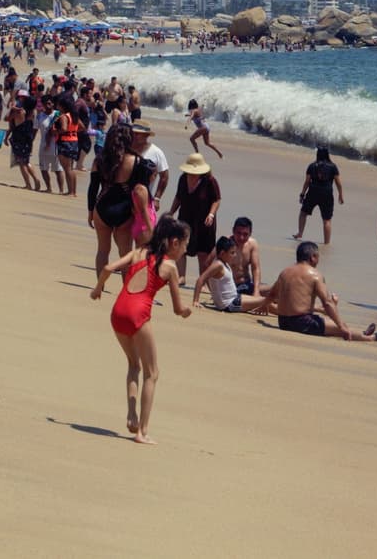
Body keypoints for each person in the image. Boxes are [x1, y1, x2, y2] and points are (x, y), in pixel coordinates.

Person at [90, 216, 192, 444]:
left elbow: (107, 267)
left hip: (117, 312)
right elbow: (177, 309)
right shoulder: (169, 267)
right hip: (138, 315)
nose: (185, 250)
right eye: (185, 245)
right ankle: (142, 432)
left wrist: (97, 289)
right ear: (174, 242)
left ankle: (131, 415)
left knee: (134, 365)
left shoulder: (139, 252)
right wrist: (186, 311)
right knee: (152, 373)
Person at [265, 241, 377, 341]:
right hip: (301, 323)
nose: (318, 261)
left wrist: (262, 307)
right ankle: (372, 338)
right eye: (318, 257)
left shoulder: (285, 272)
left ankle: (362, 332)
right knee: (339, 327)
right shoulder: (315, 275)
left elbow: (272, 294)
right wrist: (341, 326)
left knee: (330, 325)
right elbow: (327, 303)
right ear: (312, 257)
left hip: (283, 322)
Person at [88, 124, 155, 276]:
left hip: (102, 207)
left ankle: (100, 287)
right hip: (125, 210)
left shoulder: (100, 160)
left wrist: (90, 211)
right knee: (125, 255)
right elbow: (141, 191)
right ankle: (126, 290)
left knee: (102, 251)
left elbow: (93, 188)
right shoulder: (138, 161)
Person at [167, 152, 221, 284]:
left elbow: (217, 200)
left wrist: (211, 214)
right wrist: (171, 212)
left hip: (204, 222)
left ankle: (202, 281)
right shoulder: (182, 178)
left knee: (203, 252)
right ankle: (181, 277)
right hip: (185, 218)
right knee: (180, 247)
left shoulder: (210, 181)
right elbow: (178, 197)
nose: (191, 174)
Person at [192, 236, 268, 313]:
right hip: (230, 304)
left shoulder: (224, 264)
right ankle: (280, 312)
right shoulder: (218, 265)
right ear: (222, 253)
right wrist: (196, 301)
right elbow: (201, 279)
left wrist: (214, 293)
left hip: (235, 298)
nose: (235, 255)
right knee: (266, 300)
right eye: (232, 253)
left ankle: (278, 310)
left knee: (264, 301)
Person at [294, 147, 343, 244]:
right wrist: (340, 195)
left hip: (313, 192)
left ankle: (300, 233)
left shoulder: (312, 166)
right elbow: (338, 182)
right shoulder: (333, 167)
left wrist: (302, 194)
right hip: (327, 194)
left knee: (303, 213)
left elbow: (307, 182)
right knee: (327, 220)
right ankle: (327, 242)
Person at [130, 120, 169, 212]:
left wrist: (157, 198)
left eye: (138, 134)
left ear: (147, 135)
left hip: (143, 201)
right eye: (133, 133)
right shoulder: (125, 149)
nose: (135, 136)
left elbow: (164, 176)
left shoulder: (156, 153)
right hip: (122, 198)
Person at [6, 93, 41, 190]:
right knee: (26, 161)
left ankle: (28, 184)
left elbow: (7, 118)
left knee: (22, 163)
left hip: (19, 139)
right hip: (28, 139)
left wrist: (12, 109)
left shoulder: (20, 112)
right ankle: (36, 179)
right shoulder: (32, 113)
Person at [35, 95, 66, 194]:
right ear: (43, 105)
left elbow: (64, 129)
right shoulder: (39, 116)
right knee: (43, 169)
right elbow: (35, 130)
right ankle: (49, 188)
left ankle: (61, 190)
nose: (49, 105)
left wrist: (56, 132)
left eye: (50, 103)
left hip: (56, 146)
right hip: (43, 146)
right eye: (46, 103)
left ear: (53, 103)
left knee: (58, 169)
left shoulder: (59, 115)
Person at [54, 94, 80, 197]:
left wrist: (56, 132)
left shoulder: (64, 116)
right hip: (74, 141)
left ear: (62, 106)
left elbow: (64, 129)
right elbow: (82, 127)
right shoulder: (74, 116)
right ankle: (73, 191)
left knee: (67, 168)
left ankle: (71, 192)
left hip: (65, 141)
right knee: (71, 168)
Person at [229, 217, 264, 295]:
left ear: (250, 233)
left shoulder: (252, 244)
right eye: (238, 233)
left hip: (246, 284)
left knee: (277, 289)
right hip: (230, 287)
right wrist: (214, 290)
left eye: (245, 234)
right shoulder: (226, 244)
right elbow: (208, 263)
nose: (241, 237)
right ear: (233, 231)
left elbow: (255, 268)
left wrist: (256, 291)